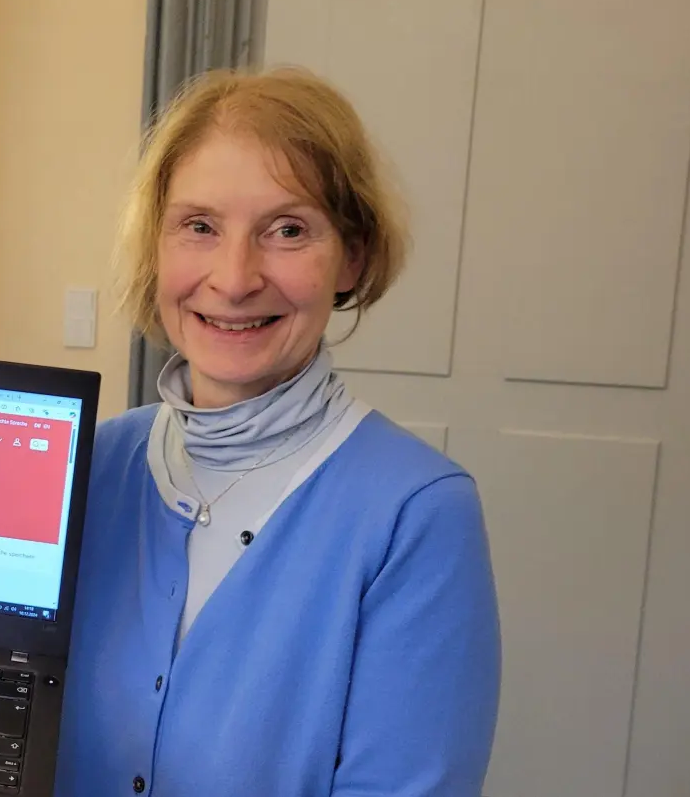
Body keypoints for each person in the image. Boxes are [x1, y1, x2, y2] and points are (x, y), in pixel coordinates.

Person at [54, 67, 501, 796]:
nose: (234, 279)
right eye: (199, 227)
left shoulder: (415, 513)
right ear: (156, 247)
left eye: (287, 230)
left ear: (351, 257)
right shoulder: (94, 466)